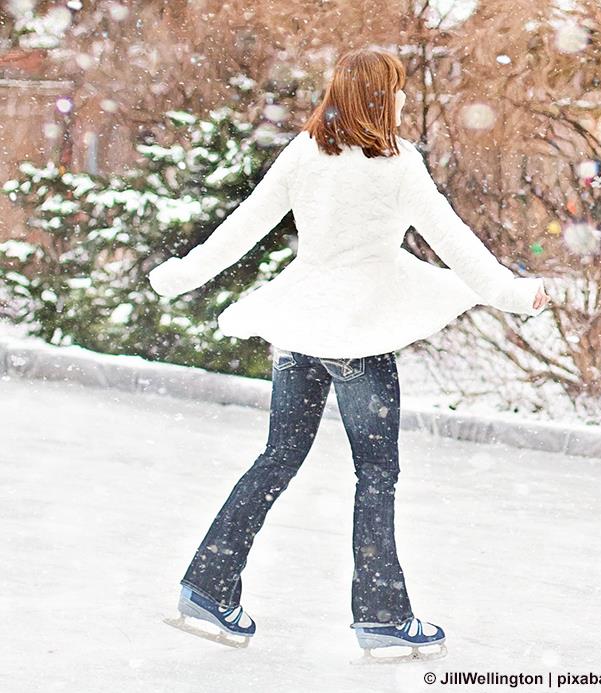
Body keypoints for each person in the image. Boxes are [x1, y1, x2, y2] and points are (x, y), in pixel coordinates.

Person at [149, 46, 551, 655]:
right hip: (359, 335)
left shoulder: (305, 154)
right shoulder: (397, 164)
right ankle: (383, 615)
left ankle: (208, 584)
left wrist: (181, 275)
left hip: (302, 327)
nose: (402, 99)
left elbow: (243, 226)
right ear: (377, 96)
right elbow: (454, 243)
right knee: (377, 473)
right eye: (395, 89)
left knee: (277, 457)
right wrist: (512, 295)